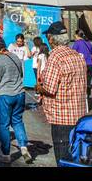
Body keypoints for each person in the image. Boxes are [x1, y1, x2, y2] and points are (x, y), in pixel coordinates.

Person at [36, 22, 88, 165]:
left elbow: (49, 89)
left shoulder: (55, 57)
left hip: (62, 117)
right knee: (76, 157)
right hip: (79, 115)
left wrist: (39, 88)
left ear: (51, 39)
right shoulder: (76, 55)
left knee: (63, 160)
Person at [0, 36, 32, 164]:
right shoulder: (15, 57)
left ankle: (6, 154)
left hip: (5, 95)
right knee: (17, 121)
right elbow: (21, 74)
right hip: (19, 94)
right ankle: (23, 147)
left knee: (4, 125)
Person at [72, 29, 92, 98]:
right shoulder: (88, 43)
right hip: (91, 65)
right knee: (88, 82)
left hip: (83, 66)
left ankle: (83, 98)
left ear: (77, 35)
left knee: (81, 82)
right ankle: (87, 97)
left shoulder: (77, 43)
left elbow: (72, 54)